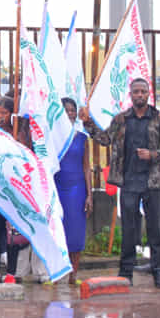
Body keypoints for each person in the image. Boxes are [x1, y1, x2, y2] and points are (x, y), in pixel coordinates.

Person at [79, 78, 160, 289]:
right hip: (128, 181)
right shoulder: (121, 120)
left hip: (154, 182)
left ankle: (159, 272)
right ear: (131, 94)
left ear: (148, 93)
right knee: (129, 230)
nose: (139, 95)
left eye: (143, 91)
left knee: (155, 230)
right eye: (136, 92)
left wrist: (153, 154)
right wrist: (88, 124)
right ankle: (126, 272)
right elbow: (105, 139)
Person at [0, 96, 29, 284]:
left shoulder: (19, 133)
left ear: (11, 114)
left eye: (4, 113)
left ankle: (11, 272)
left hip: (13, 189)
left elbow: (24, 156)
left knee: (12, 234)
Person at [56, 98, 93, 285]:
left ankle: (73, 275)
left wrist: (89, 195)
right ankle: (55, 274)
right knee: (56, 230)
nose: (69, 114)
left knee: (76, 232)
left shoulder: (81, 137)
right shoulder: (51, 137)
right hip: (56, 187)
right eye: (65, 110)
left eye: (72, 110)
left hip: (77, 188)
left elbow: (86, 167)